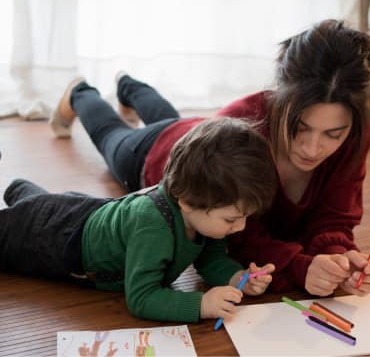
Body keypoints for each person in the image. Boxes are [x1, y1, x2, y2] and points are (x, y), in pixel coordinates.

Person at [49, 19, 370, 297]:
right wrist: (301, 267)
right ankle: (80, 92)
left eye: (333, 135)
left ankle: (129, 86)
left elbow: (335, 216)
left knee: (170, 115)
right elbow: (228, 235)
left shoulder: (357, 135)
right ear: (277, 101)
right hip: (159, 151)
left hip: (203, 131)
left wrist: (337, 260)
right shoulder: (240, 121)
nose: (312, 149)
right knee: (112, 136)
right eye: (299, 128)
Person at [0, 117, 278, 323]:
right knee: (27, 221)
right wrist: (201, 304)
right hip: (55, 237)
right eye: (231, 219)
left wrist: (237, 277)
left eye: (244, 217)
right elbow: (142, 298)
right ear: (187, 201)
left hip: (84, 214)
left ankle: (21, 192)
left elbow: (210, 258)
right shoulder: (153, 227)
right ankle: (25, 199)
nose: (239, 227)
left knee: (44, 206)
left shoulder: (204, 214)